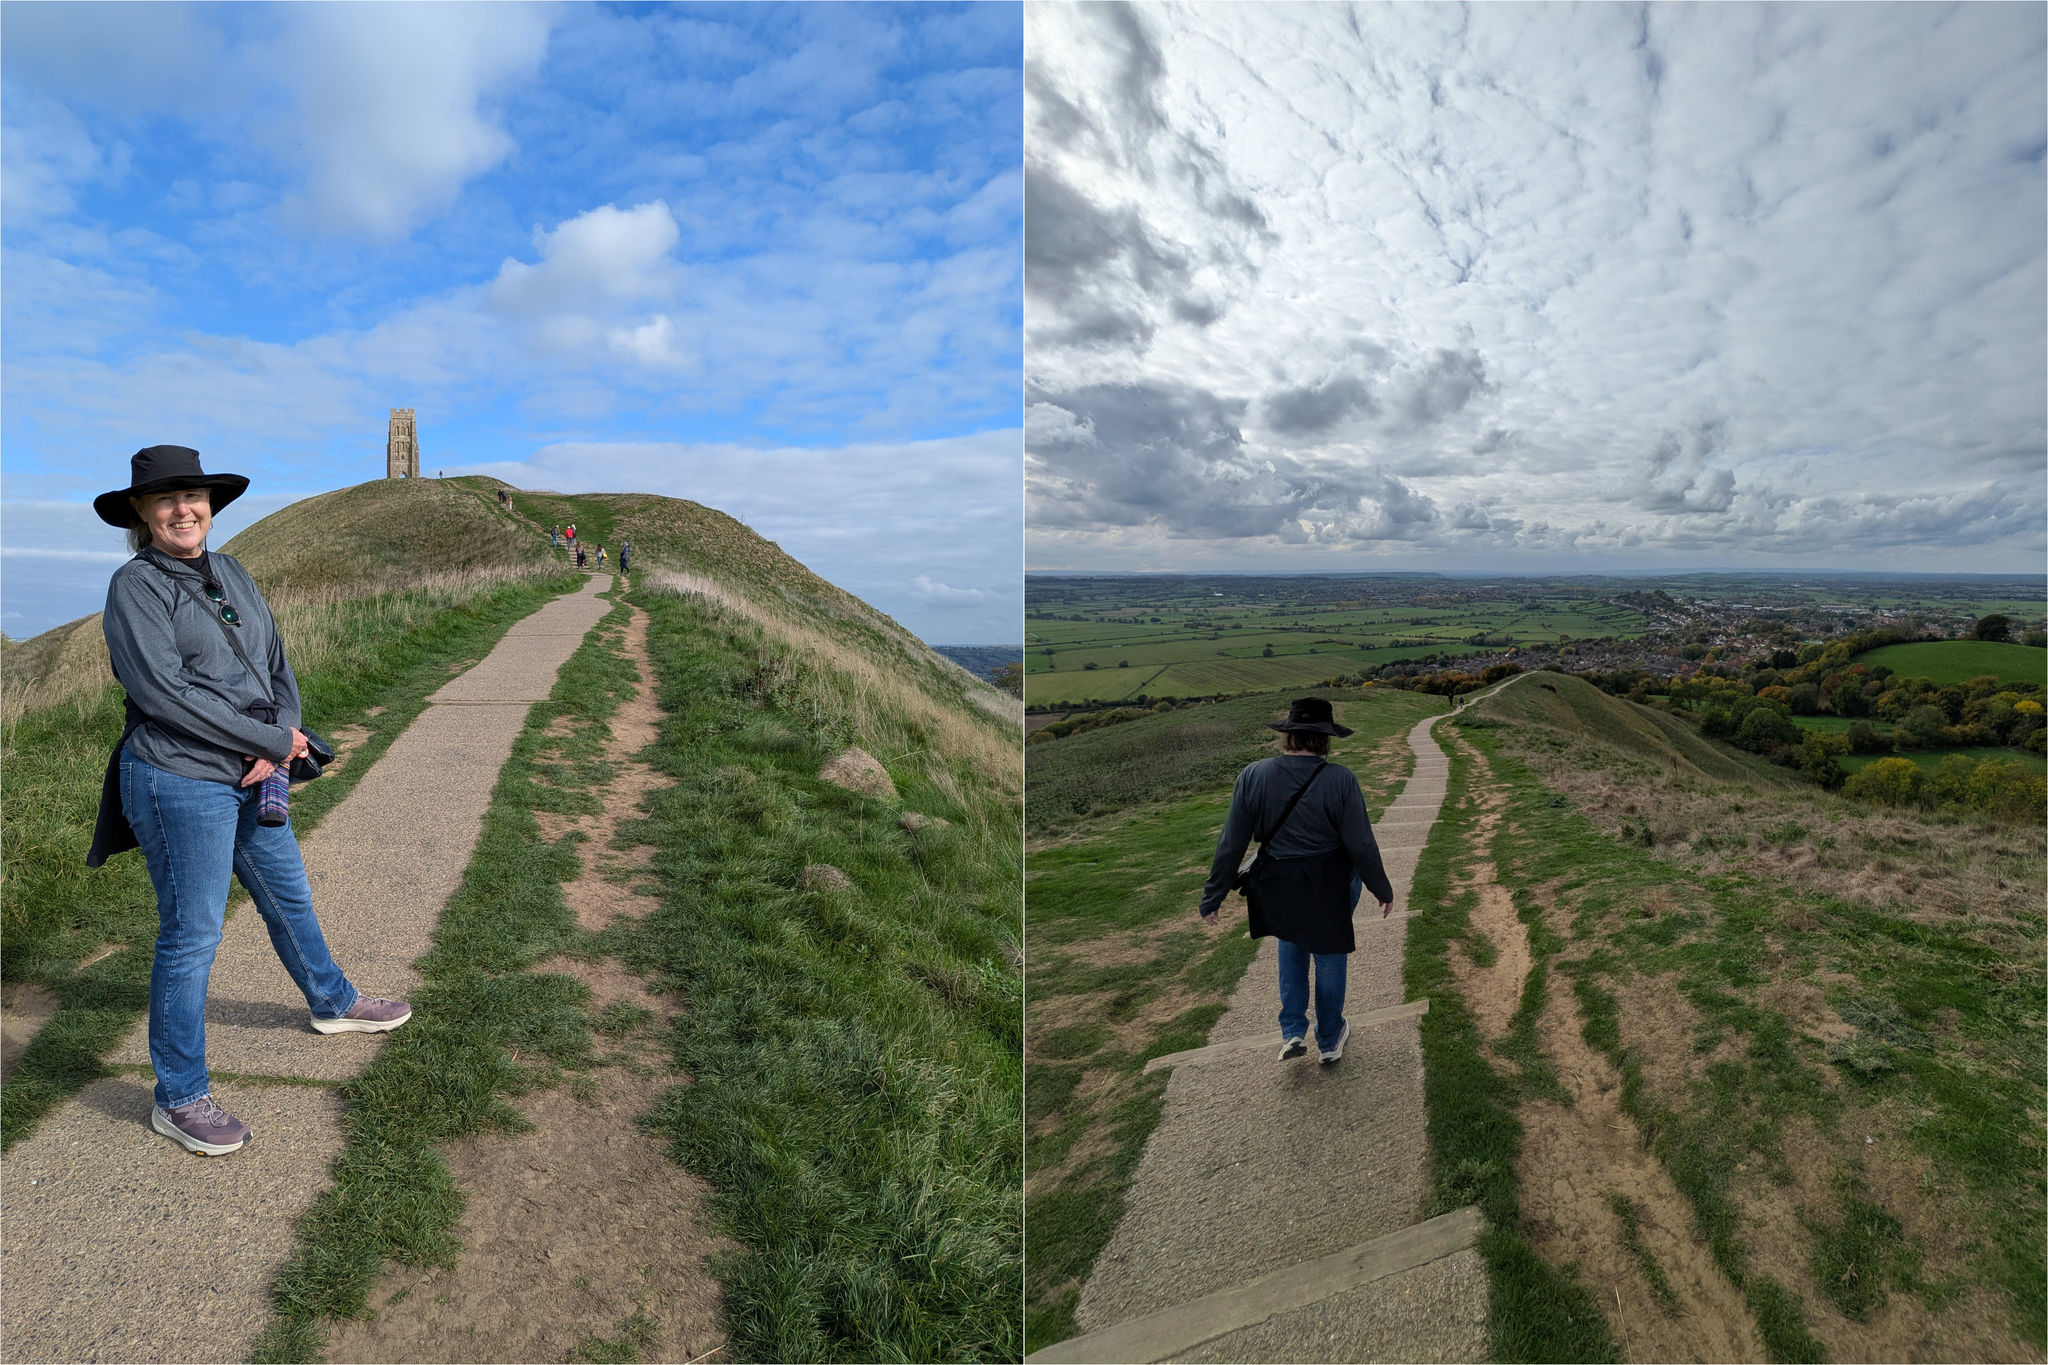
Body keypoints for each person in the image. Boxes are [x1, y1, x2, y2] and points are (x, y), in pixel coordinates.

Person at [89, 445, 411, 1157]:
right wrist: (266, 736)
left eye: (193, 496)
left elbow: (275, 661)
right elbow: (163, 693)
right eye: (166, 499)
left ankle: (332, 1000)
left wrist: (281, 740)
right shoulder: (135, 586)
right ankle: (177, 1095)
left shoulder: (231, 570)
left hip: (251, 767)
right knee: (193, 932)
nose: (183, 508)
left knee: (288, 893)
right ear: (141, 513)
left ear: (210, 503)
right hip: (178, 778)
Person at [1198, 697, 1394, 1065]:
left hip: (1277, 881)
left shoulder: (1253, 775)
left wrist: (1213, 897)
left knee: (1290, 946)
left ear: (1287, 736)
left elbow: (1231, 844)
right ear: (1325, 740)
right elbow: (1361, 845)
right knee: (1330, 953)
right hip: (1330, 882)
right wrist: (1381, 889)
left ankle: (1291, 1032)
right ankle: (1330, 1037)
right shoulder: (1340, 780)